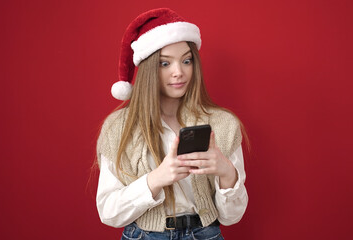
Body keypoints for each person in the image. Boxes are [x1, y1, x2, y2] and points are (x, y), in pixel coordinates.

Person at [93, 8, 248, 240]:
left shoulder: (223, 125)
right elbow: (108, 212)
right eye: (165, 64)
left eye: (186, 60)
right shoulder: (118, 128)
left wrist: (227, 173)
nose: (179, 72)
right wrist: (156, 179)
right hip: (143, 235)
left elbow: (231, 217)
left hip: (205, 234)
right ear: (147, 69)